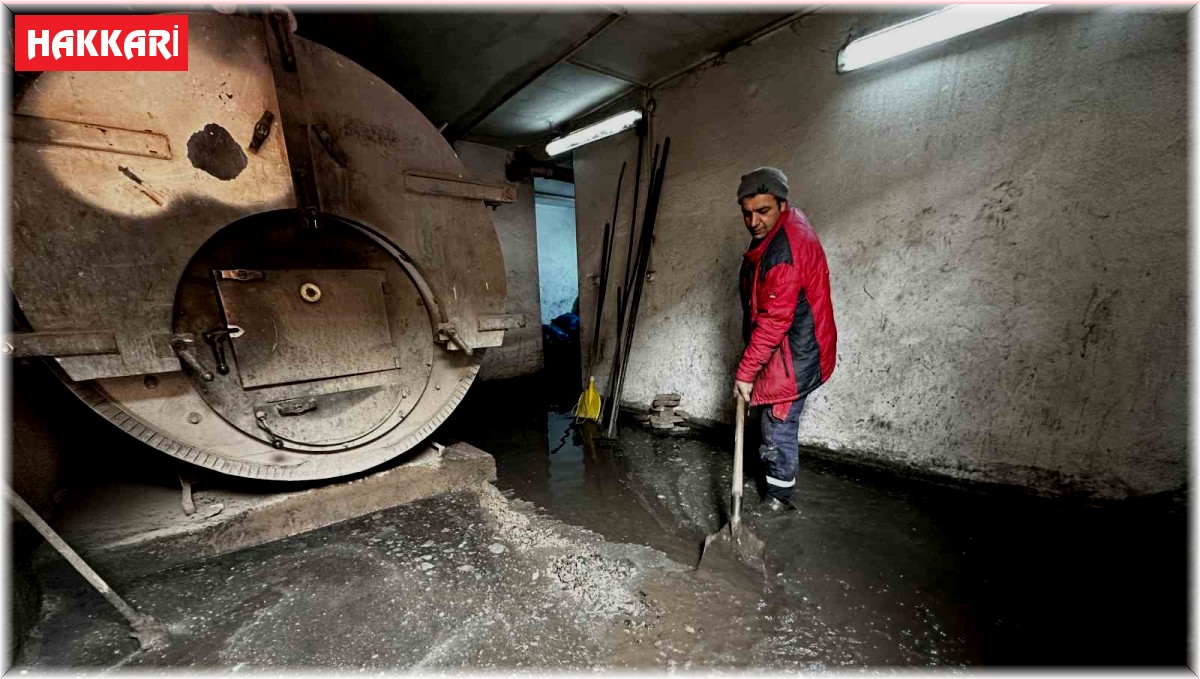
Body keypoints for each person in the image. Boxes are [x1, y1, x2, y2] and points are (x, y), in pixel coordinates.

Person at [734, 167, 837, 512]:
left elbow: (775, 321)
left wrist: (745, 373)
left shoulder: (785, 252)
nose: (753, 221)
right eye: (747, 213)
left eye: (762, 211)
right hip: (792, 346)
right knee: (771, 421)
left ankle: (778, 502)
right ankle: (775, 487)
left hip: (796, 353)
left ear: (782, 203)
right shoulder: (780, 229)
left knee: (776, 427)